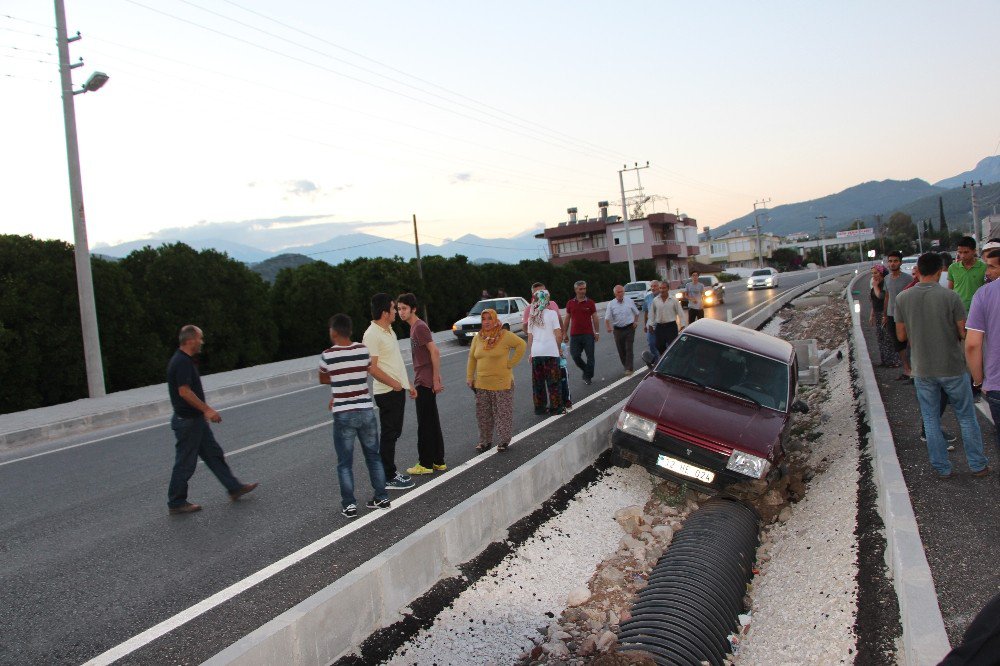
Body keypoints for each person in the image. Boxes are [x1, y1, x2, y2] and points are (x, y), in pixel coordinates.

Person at [895, 252, 988, 479]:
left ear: (918, 269)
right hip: (952, 366)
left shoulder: (902, 298)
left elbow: (900, 336)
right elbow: (961, 331)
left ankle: (942, 468)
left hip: (922, 368)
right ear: (940, 271)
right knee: (965, 416)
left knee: (931, 418)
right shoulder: (951, 297)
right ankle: (977, 465)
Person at [166, 325, 257, 515]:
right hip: (188, 422)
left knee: (213, 454)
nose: (202, 342)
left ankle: (234, 487)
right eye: (200, 338)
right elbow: (184, 392)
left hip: (194, 420)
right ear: (190, 340)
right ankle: (176, 501)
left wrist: (202, 415)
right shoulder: (181, 362)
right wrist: (207, 410)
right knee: (185, 463)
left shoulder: (185, 360)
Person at [319, 314, 390, 518]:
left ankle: (349, 505)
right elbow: (365, 371)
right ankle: (382, 497)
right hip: (366, 410)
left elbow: (324, 378)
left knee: (344, 461)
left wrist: (339, 386)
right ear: (350, 331)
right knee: (373, 456)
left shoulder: (327, 355)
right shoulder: (362, 350)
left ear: (333, 332)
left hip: (343, 412)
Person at [362, 293, 416, 491]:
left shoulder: (389, 330)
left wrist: (407, 384)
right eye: (393, 308)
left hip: (396, 388)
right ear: (385, 312)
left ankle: (388, 472)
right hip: (386, 391)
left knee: (393, 432)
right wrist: (394, 383)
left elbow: (395, 362)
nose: (395, 312)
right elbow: (372, 368)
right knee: (389, 434)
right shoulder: (372, 334)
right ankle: (388, 475)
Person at [396, 293, 446, 476]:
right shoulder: (415, 327)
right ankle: (438, 461)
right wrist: (436, 377)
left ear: (413, 309)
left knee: (425, 423)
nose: (401, 312)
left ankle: (425, 463)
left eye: (404, 308)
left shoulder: (419, 327)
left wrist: (435, 379)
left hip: (424, 381)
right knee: (431, 421)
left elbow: (435, 352)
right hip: (425, 378)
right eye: (399, 308)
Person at [466, 308, 526, 452]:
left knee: (502, 414)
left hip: (501, 383)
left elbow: (521, 345)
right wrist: (469, 377)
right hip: (481, 384)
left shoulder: (504, 335)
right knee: (483, 415)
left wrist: (510, 364)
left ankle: (504, 441)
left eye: (489, 319)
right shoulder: (478, 337)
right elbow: (472, 358)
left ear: (495, 320)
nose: (486, 322)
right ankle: (485, 441)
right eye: (483, 319)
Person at [965, 248, 1000, 452]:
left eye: (991, 266)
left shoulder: (984, 294)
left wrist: (979, 380)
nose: (986, 271)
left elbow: (972, 344)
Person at [527, 289, 564, 415]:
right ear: (547, 299)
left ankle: (540, 408)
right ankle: (556, 407)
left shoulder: (532, 316)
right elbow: (558, 335)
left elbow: (530, 337)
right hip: (551, 352)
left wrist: (531, 353)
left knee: (538, 383)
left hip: (536, 352)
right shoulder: (552, 314)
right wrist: (559, 348)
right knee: (553, 382)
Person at [563, 280, 600, 385]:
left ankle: (587, 377)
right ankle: (586, 370)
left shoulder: (590, 303)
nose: (583, 291)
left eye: (584, 288)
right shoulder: (570, 303)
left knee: (590, 357)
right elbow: (567, 319)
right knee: (575, 355)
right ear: (575, 290)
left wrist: (597, 332)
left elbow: (595, 318)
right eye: (580, 289)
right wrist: (564, 333)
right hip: (575, 334)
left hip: (588, 334)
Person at [883, 250, 912, 381]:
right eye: (890, 261)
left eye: (895, 261)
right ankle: (907, 370)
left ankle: (916, 370)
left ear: (900, 262)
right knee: (898, 344)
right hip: (891, 315)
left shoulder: (907, 279)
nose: (892, 264)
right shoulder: (887, 279)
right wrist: (884, 314)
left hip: (905, 315)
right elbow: (887, 296)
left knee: (910, 342)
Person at [868, 264, 900, 368]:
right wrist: (872, 315)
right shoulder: (875, 283)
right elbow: (873, 300)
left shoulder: (883, 283)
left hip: (885, 312)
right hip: (877, 313)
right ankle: (884, 360)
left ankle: (892, 361)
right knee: (880, 337)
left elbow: (881, 296)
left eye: (876, 273)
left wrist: (876, 286)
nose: (874, 275)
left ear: (881, 273)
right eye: (872, 273)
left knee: (887, 337)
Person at [604, 284, 640, 375]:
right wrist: (608, 327)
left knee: (629, 348)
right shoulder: (611, 304)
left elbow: (637, 313)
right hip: (618, 330)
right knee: (621, 349)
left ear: (624, 292)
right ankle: (626, 365)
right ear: (615, 293)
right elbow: (607, 318)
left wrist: (635, 322)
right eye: (618, 292)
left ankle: (629, 368)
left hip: (629, 328)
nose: (620, 294)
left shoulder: (629, 301)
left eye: (621, 292)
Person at [948, 236, 986, 312]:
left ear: (974, 251)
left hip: (978, 309)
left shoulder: (984, 267)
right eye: (960, 252)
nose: (962, 256)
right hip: (958, 310)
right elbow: (950, 291)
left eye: (966, 252)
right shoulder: (952, 268)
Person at [650, 281, 685, 355]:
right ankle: (665, 358)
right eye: (660, 288)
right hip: (659, 327)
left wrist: (683, 325)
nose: (662, 290)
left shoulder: (673, 299)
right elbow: (652, 314)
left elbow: (680, 312)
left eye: (664, 288)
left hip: (671, 327)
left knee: (673, 346)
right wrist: (650, 325)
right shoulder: (655, 300)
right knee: (659, 345)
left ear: (668, 289)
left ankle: (672, 360)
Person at [643, 279, 661, 362]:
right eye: (651, 286)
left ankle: (663, 359)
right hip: (651, 325)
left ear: (659, 287)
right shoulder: (647, 298)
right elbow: (646, 313)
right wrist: (645, 325)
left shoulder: (664, 296)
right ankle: (656, 360)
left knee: (663, 344)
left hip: (662, 324)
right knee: (651, 343)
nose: (653, 288)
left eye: (655, 286)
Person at [558, 339, 573, 410]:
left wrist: (561, 354)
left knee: (565, 385)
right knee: (556, 386)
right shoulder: (548, 345)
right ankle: (559, 402)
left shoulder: (562, 345)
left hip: (562, 367)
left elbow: (565, 356)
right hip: (552, 369)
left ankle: (567, 401)